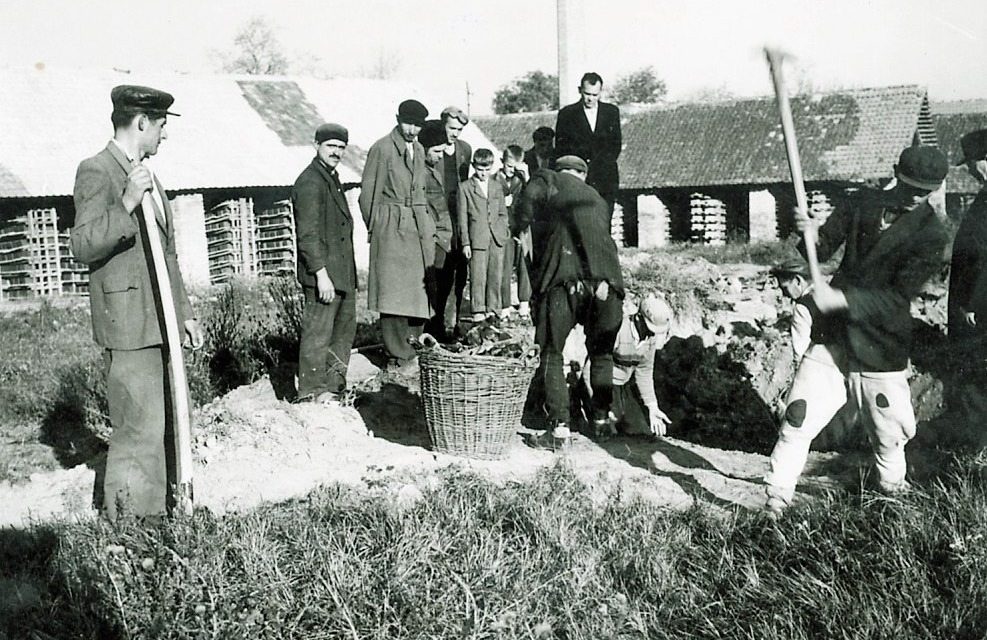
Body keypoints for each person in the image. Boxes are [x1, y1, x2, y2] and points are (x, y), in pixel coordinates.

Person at [764, 145, 951, 514]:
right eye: (910, 187)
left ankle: (891, 500)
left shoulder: (932, 234)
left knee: (889, 435)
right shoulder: (861, 202)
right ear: (895, 173)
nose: (915, 197)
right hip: (833, 339)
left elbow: (898, 297)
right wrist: (808, 231)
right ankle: (775, 498)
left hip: (880, 345)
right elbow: (818, 249)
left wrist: (843, 300)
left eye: (925, 191)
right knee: (797, 418)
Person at [70, 85, 203, 520]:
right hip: (128, 325)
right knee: (136, 430)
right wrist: (127, 202)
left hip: (159, 320)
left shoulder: (148, 176)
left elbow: (166, 255)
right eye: (161, 125)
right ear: (141, 122)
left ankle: (158, 517)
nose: (164, 135)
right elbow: (83, 244)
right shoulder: (97, 171)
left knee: (160, 426)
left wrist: (182, 314)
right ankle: (129, 529)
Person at [516, 155, 625, 446]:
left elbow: (528, 198)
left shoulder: (548, 179)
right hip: (608, 286)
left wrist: (519, 224)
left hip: (565, 281)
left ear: (561, 171)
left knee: (552, 351)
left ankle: (559, 429)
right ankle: (602, 421)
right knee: (601, 353)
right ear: (584, 176)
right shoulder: (598, 199)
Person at [359, 99, 436, 374]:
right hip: (391, 226)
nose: (413, 130)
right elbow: (367, 195)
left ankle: (413, 349)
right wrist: (380, 226)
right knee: (393, 293)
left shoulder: (419, 149)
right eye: (408, 123)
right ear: (397, 118)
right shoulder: (381, 149)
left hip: (417, 227)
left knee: (417, 291)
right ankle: (396, 355)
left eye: (418, 125)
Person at [292, 123, 357, 403]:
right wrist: (321, 274)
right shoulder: (310, 182)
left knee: (341, 335)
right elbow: (307, 235)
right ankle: (311, 392)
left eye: (341, 147)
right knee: (318, 335)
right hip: (324, 276)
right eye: (331, 146)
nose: (337, 152)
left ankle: (333, 390)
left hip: (341, 274)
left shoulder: (331, 178)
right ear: (316, 145)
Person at [946, 129, 987, 445]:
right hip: (971, 300)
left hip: (977, 307)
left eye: (975, 162)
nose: (972, 169)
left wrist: (974, 302)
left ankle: (972, 445)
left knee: (975, 373)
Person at [554, 72, 622, 217]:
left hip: (605, 178)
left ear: (600, 92)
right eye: (587, 94)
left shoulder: (611, 112)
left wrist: (598, 166)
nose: (591, 98)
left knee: (603, 224)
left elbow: (615, 145)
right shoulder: (567, 114)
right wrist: (580, 170)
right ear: (580, 90)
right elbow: (561, 149)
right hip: (577, 179)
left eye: (595, 95)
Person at [606, 293, 674, 437]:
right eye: (650, 328)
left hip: (624, 388)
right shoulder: (618, 328)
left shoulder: (651, 339)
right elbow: (592, 368)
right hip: (604, 385)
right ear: (638, 318)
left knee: (641, 432)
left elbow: (645, 372)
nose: (651, 333)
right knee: (610, 428)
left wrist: (652, 406)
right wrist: (599, 407)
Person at [432, 106, 474, 337]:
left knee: (459, 273)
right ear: (442, 125)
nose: (455, 133)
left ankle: (454, 322)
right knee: (438, 273)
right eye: (451, 128)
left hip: (458, 221)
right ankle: (435, 325)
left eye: (459, 129)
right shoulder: (430, 149)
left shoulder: (465, 150)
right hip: (437, 218)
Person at [458, 148, 509, 322]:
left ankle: (493, 311)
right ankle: (478, 311)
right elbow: (462, 218)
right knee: (478, 276)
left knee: (496, 275)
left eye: (487, 169)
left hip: (496, 239)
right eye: (480, 169)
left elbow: (503, 212)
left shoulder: (496, 186)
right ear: (474, 166)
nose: (483, 173)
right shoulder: (465, 188)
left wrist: (503, 232)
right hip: (477, 239)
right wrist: (465, 243)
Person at [419, 120, 454, 336]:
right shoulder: (420, 174)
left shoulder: (434, 172)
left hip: (444, 239)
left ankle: (437, 331)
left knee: (442, 288)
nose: (440, 156)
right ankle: (431, 334)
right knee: (432, 290)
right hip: (433, 240)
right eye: (436, 151)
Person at [497, 144, 532, 318]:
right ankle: (504, 305)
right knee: (505, 265)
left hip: (521, 228)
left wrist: (526, 176)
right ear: (502, 162)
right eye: (509, 166)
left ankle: (524, 303)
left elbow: (532, 197)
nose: (512, 170)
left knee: (524, 264)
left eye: (515, 167)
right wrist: (503, 201)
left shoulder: (523, 180)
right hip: (504, 228)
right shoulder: (494, 179)